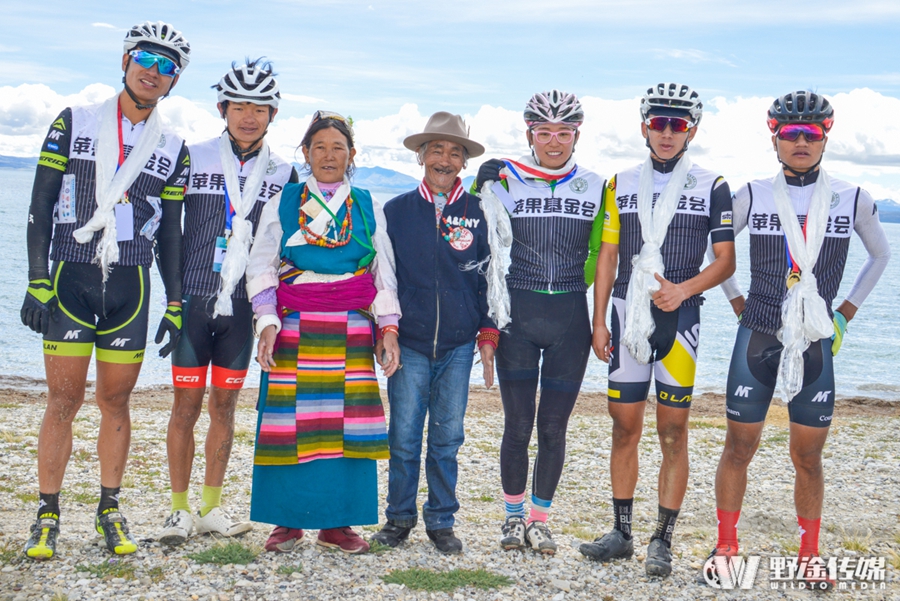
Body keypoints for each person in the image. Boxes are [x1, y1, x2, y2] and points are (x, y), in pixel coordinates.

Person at [20, 21, 190, 559]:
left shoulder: (175, 147)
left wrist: (177, 300)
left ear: (174, 81)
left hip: (130, 286)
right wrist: (35, 280)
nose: (153, 71)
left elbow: (168, 232)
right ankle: (47, 515)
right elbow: (41, 205)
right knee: (63, 401)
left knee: (115, 402)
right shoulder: (76, 121)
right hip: (70, 276)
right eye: (145, 58)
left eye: (167, 66)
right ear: (124, 60)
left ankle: (109, 509)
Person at [705, 91, 890, 586]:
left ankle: (810, 554)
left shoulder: (852, 197)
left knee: (807, 456)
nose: (802, 141)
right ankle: (726, 547)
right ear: (775, 138)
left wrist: (845, 313)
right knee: (739, 448)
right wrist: (736, 300)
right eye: (791, 134)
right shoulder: (752, 193)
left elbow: (880, 256)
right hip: (758, 335)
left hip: (814, 339)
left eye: (812, 133)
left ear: (826, 135)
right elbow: (716, 248)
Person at [577, 82, 736, 578]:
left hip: (679, 319)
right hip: (626, 316)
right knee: (624, 426)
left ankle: (661, 539)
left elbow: (726, 262)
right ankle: (621, 533)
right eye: (659, 123)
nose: (668, 133)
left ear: (693, 129)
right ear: (644, 125)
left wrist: (684, 291)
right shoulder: (618, 182)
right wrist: (598, 319)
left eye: (679, 124)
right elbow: (607, 256)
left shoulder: (713, 185)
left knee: (673, 432)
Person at [158, 59, 297, 546]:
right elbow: (167, 234)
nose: (249, 116)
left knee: (224, 407)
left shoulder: (284, 170)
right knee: (184, 407)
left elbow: (289, 246)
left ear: (272, 114)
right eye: (239, 105)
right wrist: (173, 300)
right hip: (195, 299)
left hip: (243, 307)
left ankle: (212, 506)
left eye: (260, 108)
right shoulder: (192, 156)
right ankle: (178, 511)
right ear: (222, 108)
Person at [245, 110, 396, 555]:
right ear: (306, 153)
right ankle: (287, 522)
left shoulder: (367, 205)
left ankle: (339, 524)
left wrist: (388, 327)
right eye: (320, 147)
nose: (329, 155)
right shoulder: (285, 201)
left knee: (349, 423)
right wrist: (267, 322)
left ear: (352, 155)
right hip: (293, 326)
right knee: (288, 422)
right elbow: (262, 263)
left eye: (338, 148)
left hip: (350, 326)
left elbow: (382, 270)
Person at [473, 90, 604, 554]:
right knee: (518, 426)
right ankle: (511, 518)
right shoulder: (507, 181)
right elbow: (471, 237)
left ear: (576, 135)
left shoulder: (595, 186)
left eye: (563, 132)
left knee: (553, 429)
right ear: (530, 134)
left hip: (571, 315)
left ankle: (540, 520)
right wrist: (476, 186)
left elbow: (604, 255)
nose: (553, 141)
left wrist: (597, 307)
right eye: (544, 132)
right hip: (518, 314)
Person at [370, 112, 496, 554]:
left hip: (460, 345)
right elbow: (382, 278)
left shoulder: (482, 212)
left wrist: (488, 334)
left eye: (455, 152)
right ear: (421, 156)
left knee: (447, 437)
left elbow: (490, 280)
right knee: (403, 435)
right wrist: (382, 335)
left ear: (463, 162)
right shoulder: (396, 211)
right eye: (437, 150)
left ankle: (442, 521)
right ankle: (398, 519)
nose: (445, 159)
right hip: (409, 342)